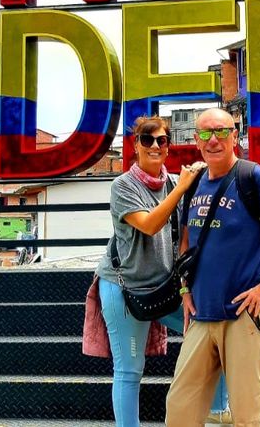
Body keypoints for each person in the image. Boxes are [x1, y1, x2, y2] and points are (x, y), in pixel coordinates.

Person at [165, 108, 260, 427]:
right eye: (205, 134)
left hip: (245, 314)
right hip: (202, 315)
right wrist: (183, 289)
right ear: (196, 141)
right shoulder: (194, 185)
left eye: (222, 131)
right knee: (180, 410)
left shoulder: (254, 177)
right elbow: (186, 241)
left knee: (246, 417)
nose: (214, 140)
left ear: (235, 135)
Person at [91, 116, 229, 427]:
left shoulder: (171, 183)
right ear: (135, 146)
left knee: (215, 338)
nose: (155, 146)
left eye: (162, 140)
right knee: (129, 370)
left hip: (165, 286)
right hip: (124, 289)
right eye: (147, 140)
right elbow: (151, 225)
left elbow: (184, 233)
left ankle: (219, 413)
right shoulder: (123, 186)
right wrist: (181, 187)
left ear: (168, 148)